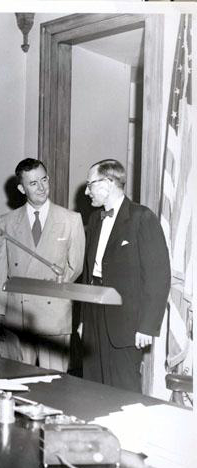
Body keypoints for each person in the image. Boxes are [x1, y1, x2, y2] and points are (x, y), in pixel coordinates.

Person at [80, 159, 170, 392]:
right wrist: (82, 319)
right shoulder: (93, 219)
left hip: (125, 323)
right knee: (92, 386)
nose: (87, 191)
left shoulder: (142, 218)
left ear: (108, 183)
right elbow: (88, 273)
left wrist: (147, 326)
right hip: (93, 316)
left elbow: (158, 277)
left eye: (90, 184)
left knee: (123, 389)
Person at [0, 158, 85, 371]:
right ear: (21, 188)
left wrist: (54, 288)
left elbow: (75, 267)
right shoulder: (5, 222)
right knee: (18, 382)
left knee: (56, 384)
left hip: (54, 316)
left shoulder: (71, 220)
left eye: (44, 180)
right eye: (33, 183)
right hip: (18, 317)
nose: (42, 187)